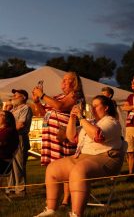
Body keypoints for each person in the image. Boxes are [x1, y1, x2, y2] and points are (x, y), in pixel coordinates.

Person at [34, 95, 125, 217]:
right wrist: (72, 117)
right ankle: (51, 209)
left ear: (106, 107)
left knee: (79, 171)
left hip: (107, 157)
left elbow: (97, 136)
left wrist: (81, 118)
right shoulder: (91, 122)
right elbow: (71, 137)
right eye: (92, 106)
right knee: (52, 168)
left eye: (96, 106)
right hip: (84, 156)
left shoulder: (111, 122)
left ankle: (76, 214)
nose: (93, 108)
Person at [32, 71, 85, 207]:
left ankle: (66, 198)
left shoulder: (76, 95)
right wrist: (37, 102)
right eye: (63, 79)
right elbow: (42, 113)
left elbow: (60, 107)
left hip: (64, 135)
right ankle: (55, 197)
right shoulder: (58, 96)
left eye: (67, 79)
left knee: (64, 165)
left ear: (74, 82)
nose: (63, 81)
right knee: (54, 167)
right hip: (51, 136)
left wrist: (42, 95)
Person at [6, 89, 33, 197]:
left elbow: (20, 125)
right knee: (11, 165)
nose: (13, 97)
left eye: (16, 95)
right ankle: (11, 189)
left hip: (19, 138)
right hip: (11, 138)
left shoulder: (25, 108)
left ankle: (20, 190)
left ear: (24, 97)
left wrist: (7, 130)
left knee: (18, 165)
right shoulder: (13, 110)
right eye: (13, 95)